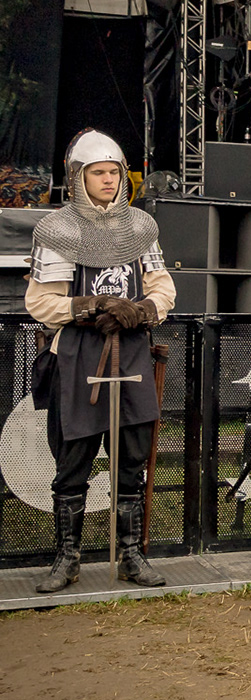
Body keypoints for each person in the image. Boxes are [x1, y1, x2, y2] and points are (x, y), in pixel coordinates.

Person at [27, 130, 176, 592]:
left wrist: (145, 309)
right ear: (79, 178)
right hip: (79, 356)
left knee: (131, 461)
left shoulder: (140, 228)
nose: (109, 180)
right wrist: (92, 306)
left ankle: (131, 556)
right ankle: (67, 560)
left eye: (114, 172)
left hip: (130, 350)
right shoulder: (58, 230)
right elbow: (40, 302)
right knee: (73, 462)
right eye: (99, 173)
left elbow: (163, 286)